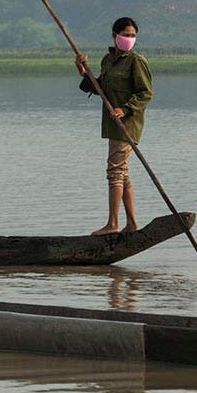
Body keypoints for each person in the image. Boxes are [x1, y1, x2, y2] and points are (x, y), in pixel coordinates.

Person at [74, 17, 153, 236]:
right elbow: (99, 88)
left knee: (115, 171)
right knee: (123, 174)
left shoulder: (136, 61)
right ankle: (132, 224)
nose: (129, 39)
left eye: (132, 35)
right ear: (114, 36)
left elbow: (145, 93)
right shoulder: (108, 61)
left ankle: (112, 224)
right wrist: (83, 71)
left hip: (127, 123)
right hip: (112, 123)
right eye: (125, 35)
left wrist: (125, 109)